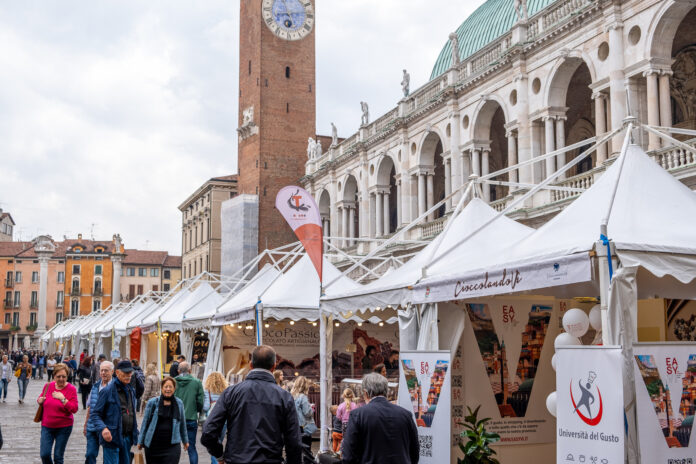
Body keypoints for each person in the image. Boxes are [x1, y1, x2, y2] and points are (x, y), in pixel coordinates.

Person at [201, 345, 302, 464]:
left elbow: (208, 432)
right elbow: (294, 442)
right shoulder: (284, 397)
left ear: (250, 365)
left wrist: (219, 455)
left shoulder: (231, 393)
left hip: (236, 459)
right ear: (274, 366)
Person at [341, 373, 419, 464]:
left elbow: (348, 456)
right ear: (386, 391)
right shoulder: (406, 415)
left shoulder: (358, 415)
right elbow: (414, 452)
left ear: (365, 393)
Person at [91, 360, 139, 464]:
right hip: (112, 438)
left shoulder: (131, 390)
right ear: (117, 373)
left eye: (130, 373)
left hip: (127, 438)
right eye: (125, 373)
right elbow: (95, 414)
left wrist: (136, 433)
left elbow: (132, 412)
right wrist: (103, 428)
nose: (128, 375)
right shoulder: (107, 391)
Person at [138, 377, 189, 462]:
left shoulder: (179, 403)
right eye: (166, 387)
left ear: (174, 388)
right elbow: (145, 423)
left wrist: (185, 441)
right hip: (153, 446)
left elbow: (182, 424)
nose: (168, 389)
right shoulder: (152, 402)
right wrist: (140, 441)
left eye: (170, 387)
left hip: (172, 446)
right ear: (162, 388)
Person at [38, 363, 79, 464]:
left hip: (64, 427)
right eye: (58, 376)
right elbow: (40, 398)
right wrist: (39, 400)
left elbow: (74, 409)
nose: (61, 379)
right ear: (54, 376)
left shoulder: (71, 389)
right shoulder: (48, 386)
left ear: (67, 376)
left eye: (64, 376)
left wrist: (63, 399)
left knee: (58, 456)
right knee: (44, 454)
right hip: (47, 426)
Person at [84, 361, 114, 464]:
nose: (103, 373)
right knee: (90, 454)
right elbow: (90, 406)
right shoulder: (95, 386)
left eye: (106, 370)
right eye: (102, 370)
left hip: (108, 427)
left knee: (108, 458)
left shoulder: (116, 388)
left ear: (112, 371)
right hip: (92, 426)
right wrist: (86, 424)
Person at [174, 361, 204, 464]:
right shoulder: (197, 383)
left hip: (175, 419)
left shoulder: (172, 382)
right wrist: (197, 410)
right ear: (190, 371)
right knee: (191, 448)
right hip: (191, 418)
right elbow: (201, 402)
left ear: (178, 371)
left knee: (173, 447)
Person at [202, 371, 228, 464]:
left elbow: (206, 407)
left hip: (211, 420)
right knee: (219, 442)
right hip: (224, 420)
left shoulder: (207, 391)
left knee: (213, 445)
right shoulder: (226, 390)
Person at [291, 375, 317, 457]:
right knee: (306, 451)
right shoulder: (303, 397)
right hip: (304, 427)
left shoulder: (291, 396)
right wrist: (311, 408)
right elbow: (307, 413)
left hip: (294, 426)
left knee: (296, 451)